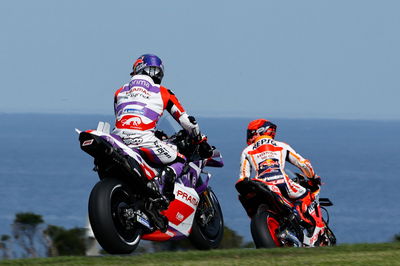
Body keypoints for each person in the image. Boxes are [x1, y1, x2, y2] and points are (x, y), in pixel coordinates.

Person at [112, 54, 206, 226]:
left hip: (118, 140)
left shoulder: (119, 91)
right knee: (181, 159)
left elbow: (123, 118)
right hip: (144, 140)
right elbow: (186, 122)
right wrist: (199, 138)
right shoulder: (163, 92)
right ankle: (164, 185)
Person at [236, 119, 321, 227]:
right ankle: (300, 217)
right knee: (306, 195)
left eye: (251, 133)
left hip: (261, 184)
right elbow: (303, 164)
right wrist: (313, 177)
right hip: (283, 182)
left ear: (259, 131)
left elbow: (243, 176)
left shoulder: (247, 150)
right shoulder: (281, 145)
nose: (249, 136)